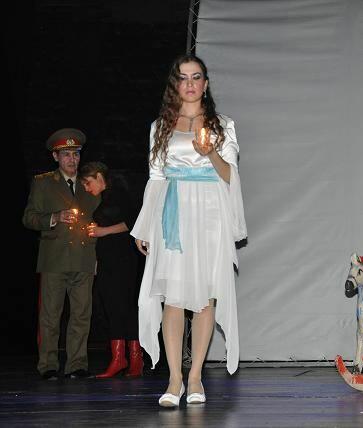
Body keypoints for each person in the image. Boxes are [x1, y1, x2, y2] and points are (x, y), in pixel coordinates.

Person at [131, 54, 246, 407]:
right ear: (175, 85)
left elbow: (230, 175)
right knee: (174, 298)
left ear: (205, 84)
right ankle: (175, 379)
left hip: (209, 215)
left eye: (196, 77)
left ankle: (195, 376)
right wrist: (145, 226)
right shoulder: (161, 126)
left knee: (205, 298)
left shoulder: (223, 125)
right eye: (184, 77)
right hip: (174, 214)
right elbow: (156, 177)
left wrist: (210, 153)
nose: (191, 83)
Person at [23, 128, 100, 380]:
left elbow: (102, 216)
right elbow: (29, 218)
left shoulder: (90, 183)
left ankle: (77, 364)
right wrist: (54, 217)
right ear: (55, 157)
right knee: (50, 316)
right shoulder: (43, 182)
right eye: (66, 154)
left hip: (84, 257)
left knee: (81, 315)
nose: (72, 159)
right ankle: (48, 365)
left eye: (75, 154)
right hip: (54, 259)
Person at [78, 161, 143, 378]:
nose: (87, 188)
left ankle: (130, 359)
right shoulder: (106, 197)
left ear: (99, 177)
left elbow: (133, 223)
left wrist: (103, 231)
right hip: (109, 259)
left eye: (88, 182)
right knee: (114, 306)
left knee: (122, 306)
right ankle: (124, 358)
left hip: (123, 259)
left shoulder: (120, 194)